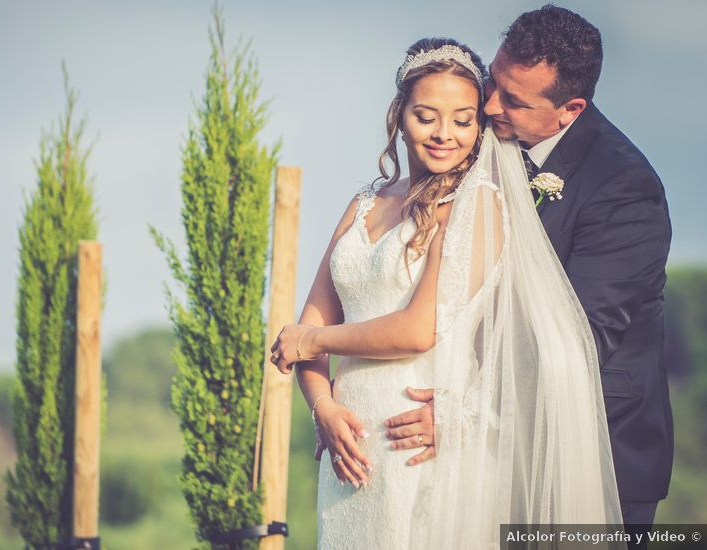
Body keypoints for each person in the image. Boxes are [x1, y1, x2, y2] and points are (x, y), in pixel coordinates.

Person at [269, 34, 626, 550]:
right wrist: (322, 405)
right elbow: (314, 316)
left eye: (463, 120)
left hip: (418, 439)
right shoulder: (363, 203)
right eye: (425, 116)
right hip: (347, 446)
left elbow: (418, 330)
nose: (444, 134)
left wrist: (316, 341)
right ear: (399, 114)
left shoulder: (474, 207)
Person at [379, 6, 672, 544]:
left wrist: (467, 407)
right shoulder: (486, 139)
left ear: (570, 109)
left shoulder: (625, 190)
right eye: (494, 81)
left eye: (514, 100)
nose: (490, 105)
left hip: (595, 446)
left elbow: (580, 337)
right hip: (480, 450)